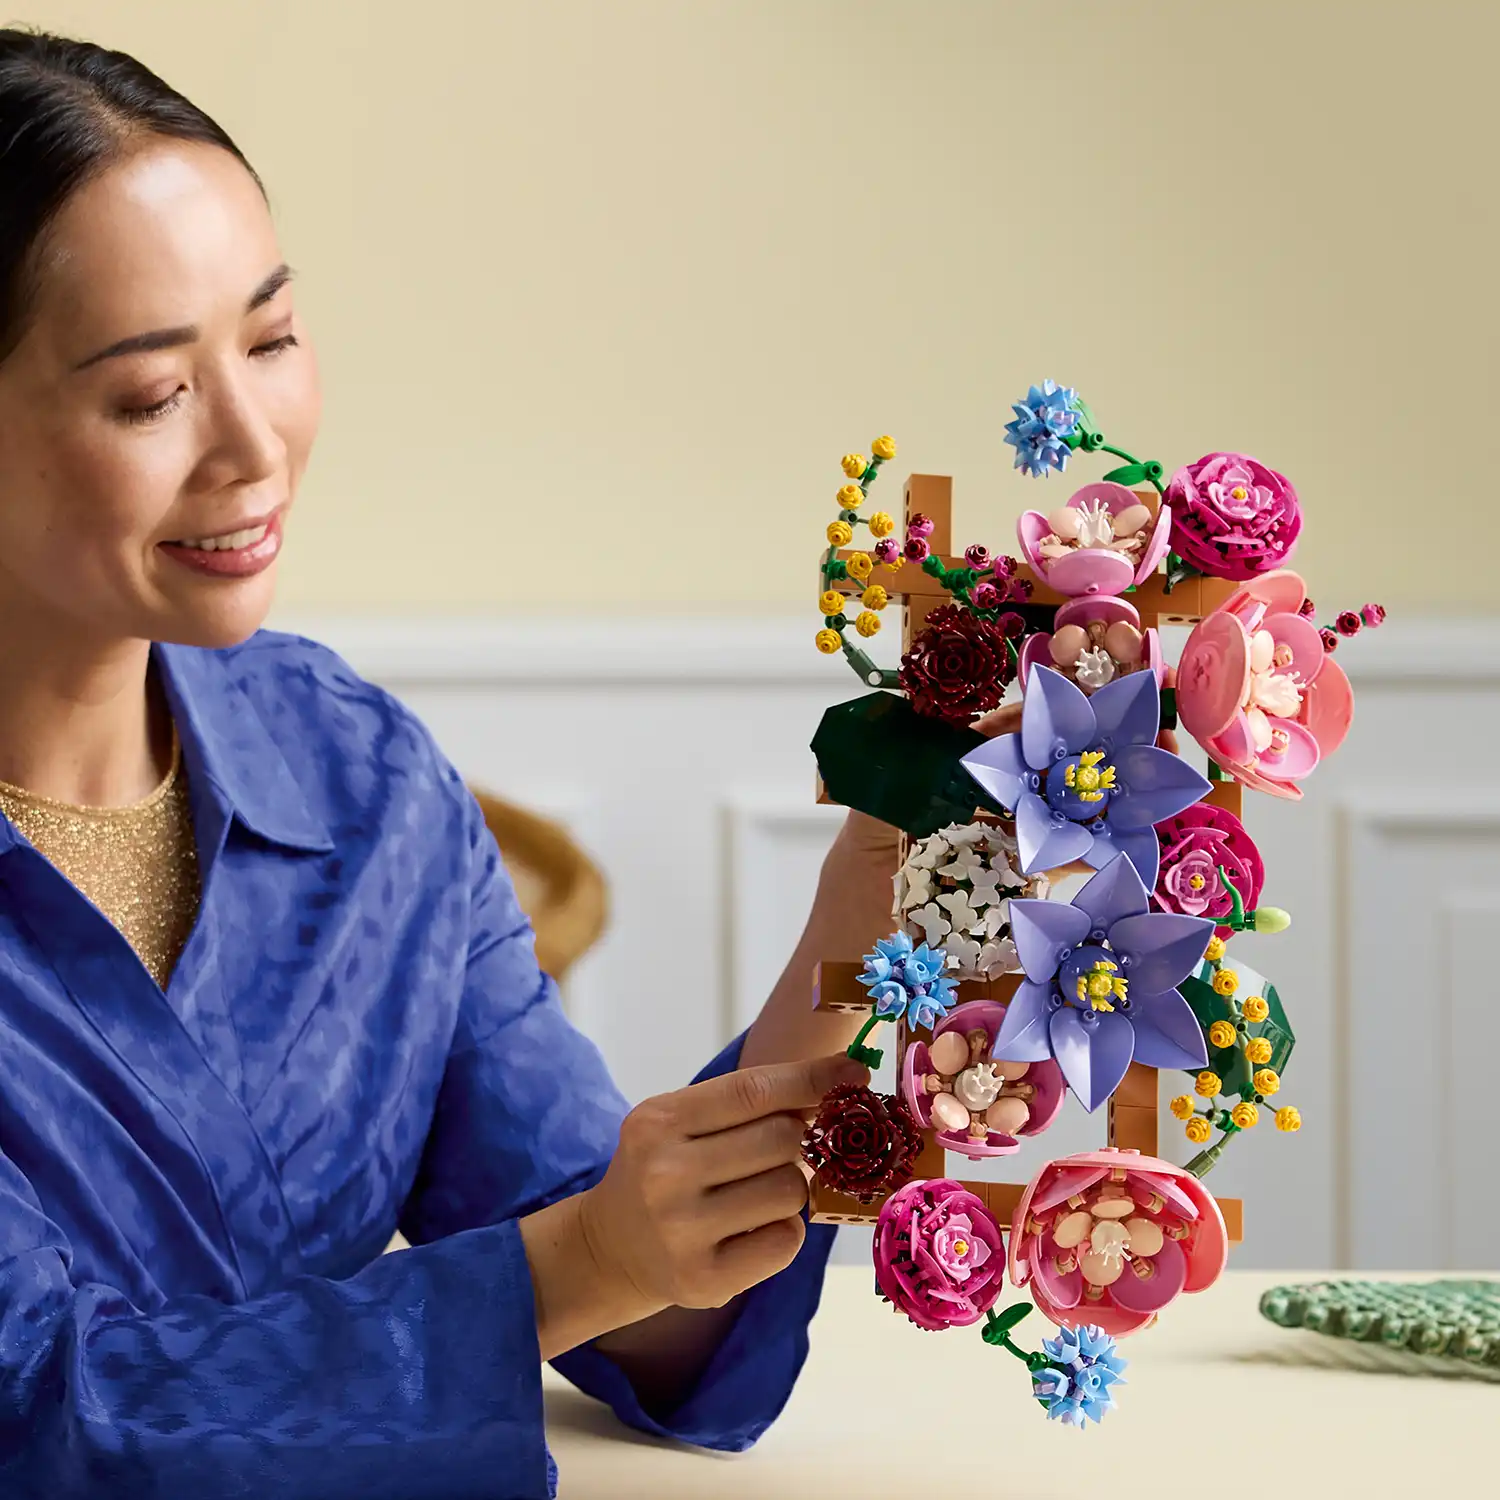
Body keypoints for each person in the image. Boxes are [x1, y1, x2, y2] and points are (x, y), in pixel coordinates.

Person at [0, 28, 906, 1498]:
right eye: (152, 393)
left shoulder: (350, 773)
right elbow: (43, 1416)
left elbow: (662, 1319)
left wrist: (871, 890)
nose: (256, 446)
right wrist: (577, 1263)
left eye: (274, 341)